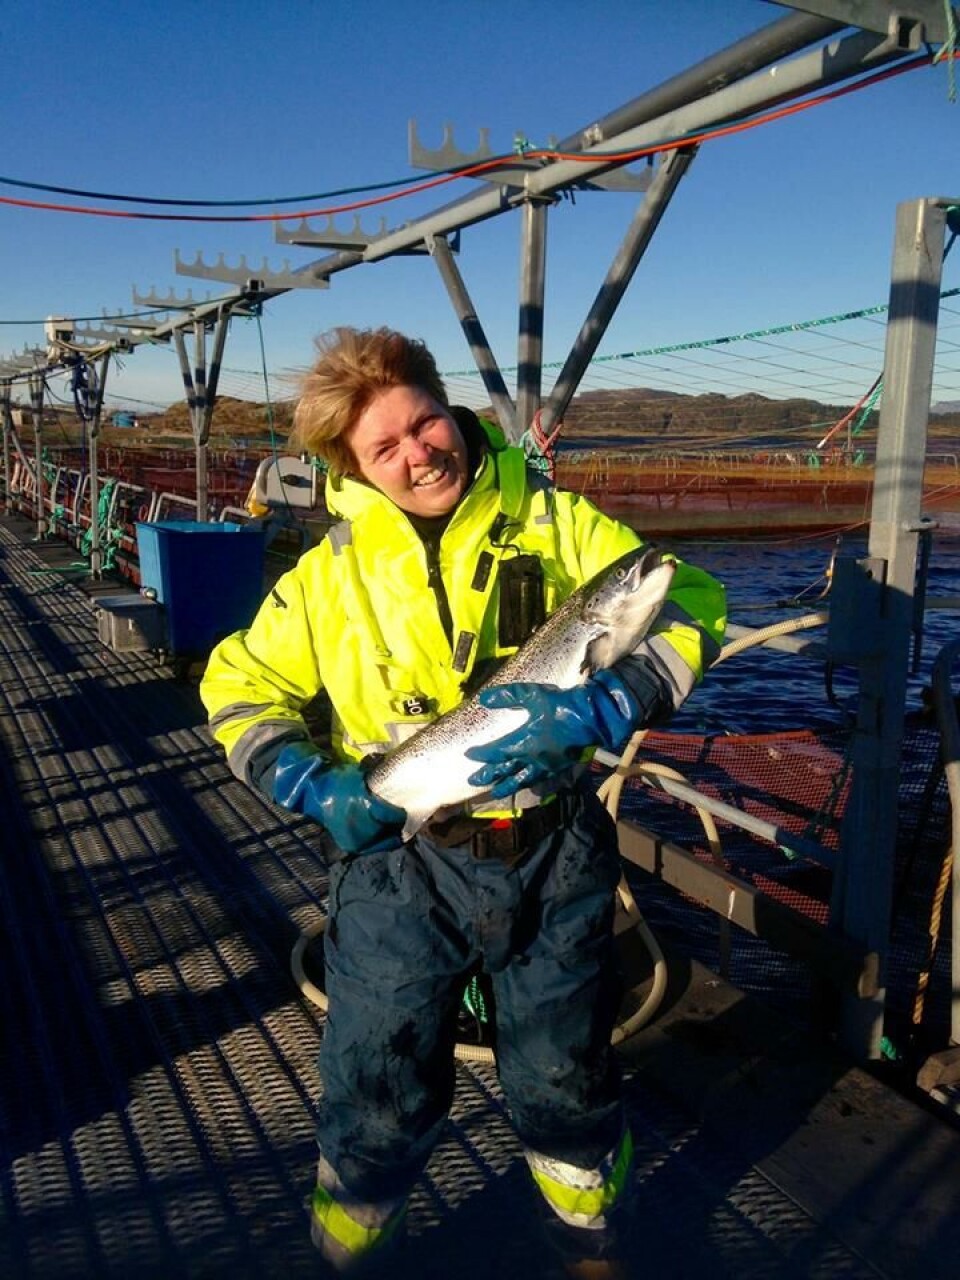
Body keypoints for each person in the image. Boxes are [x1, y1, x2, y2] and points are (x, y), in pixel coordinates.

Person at [200, 327, 726, 1278]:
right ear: (350, 467)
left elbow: (690, 600)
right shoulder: (328, 575)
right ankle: (353, 1253)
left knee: (566, 1074)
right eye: (385, 447)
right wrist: (307, 782)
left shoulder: (554, 521)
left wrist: (617, 698)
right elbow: (239, 687)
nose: (419, 454)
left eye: (425, 423)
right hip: (397, 868)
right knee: (377, 1084)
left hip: (553, 851)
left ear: (451, 409)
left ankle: (590, 1244)